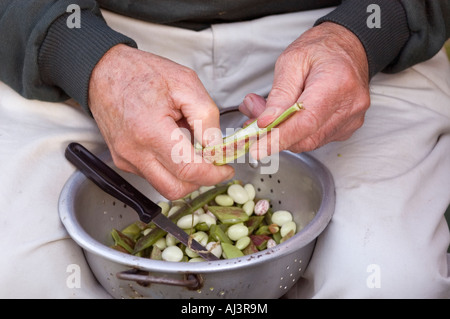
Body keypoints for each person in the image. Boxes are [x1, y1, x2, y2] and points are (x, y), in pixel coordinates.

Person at [0, 0, 449, 298]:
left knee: (393, 279)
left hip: (341, 26)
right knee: (18, 276)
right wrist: (81, 56)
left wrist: (363, 36)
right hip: (79, 28)